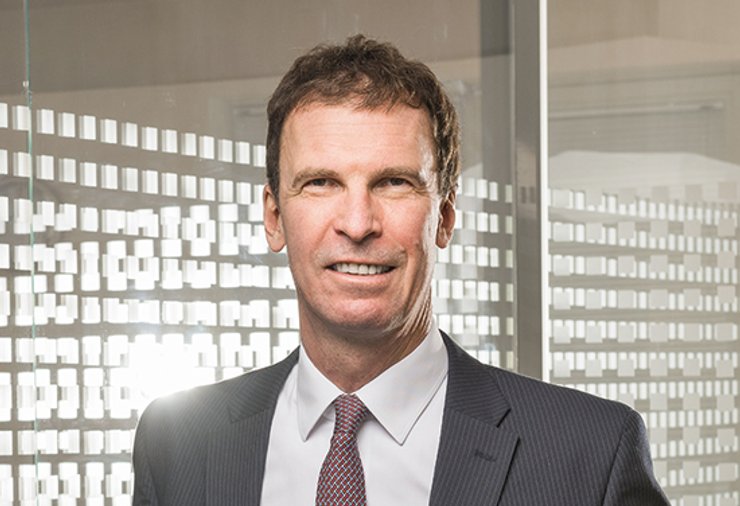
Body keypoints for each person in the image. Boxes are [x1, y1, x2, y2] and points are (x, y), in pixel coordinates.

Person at [132, 35, 669, 506]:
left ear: (445, 217)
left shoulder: (591, 453)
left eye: (394, 183)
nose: (357, 223)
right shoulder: (179, 445)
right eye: (321, 183)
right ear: (274, 218)